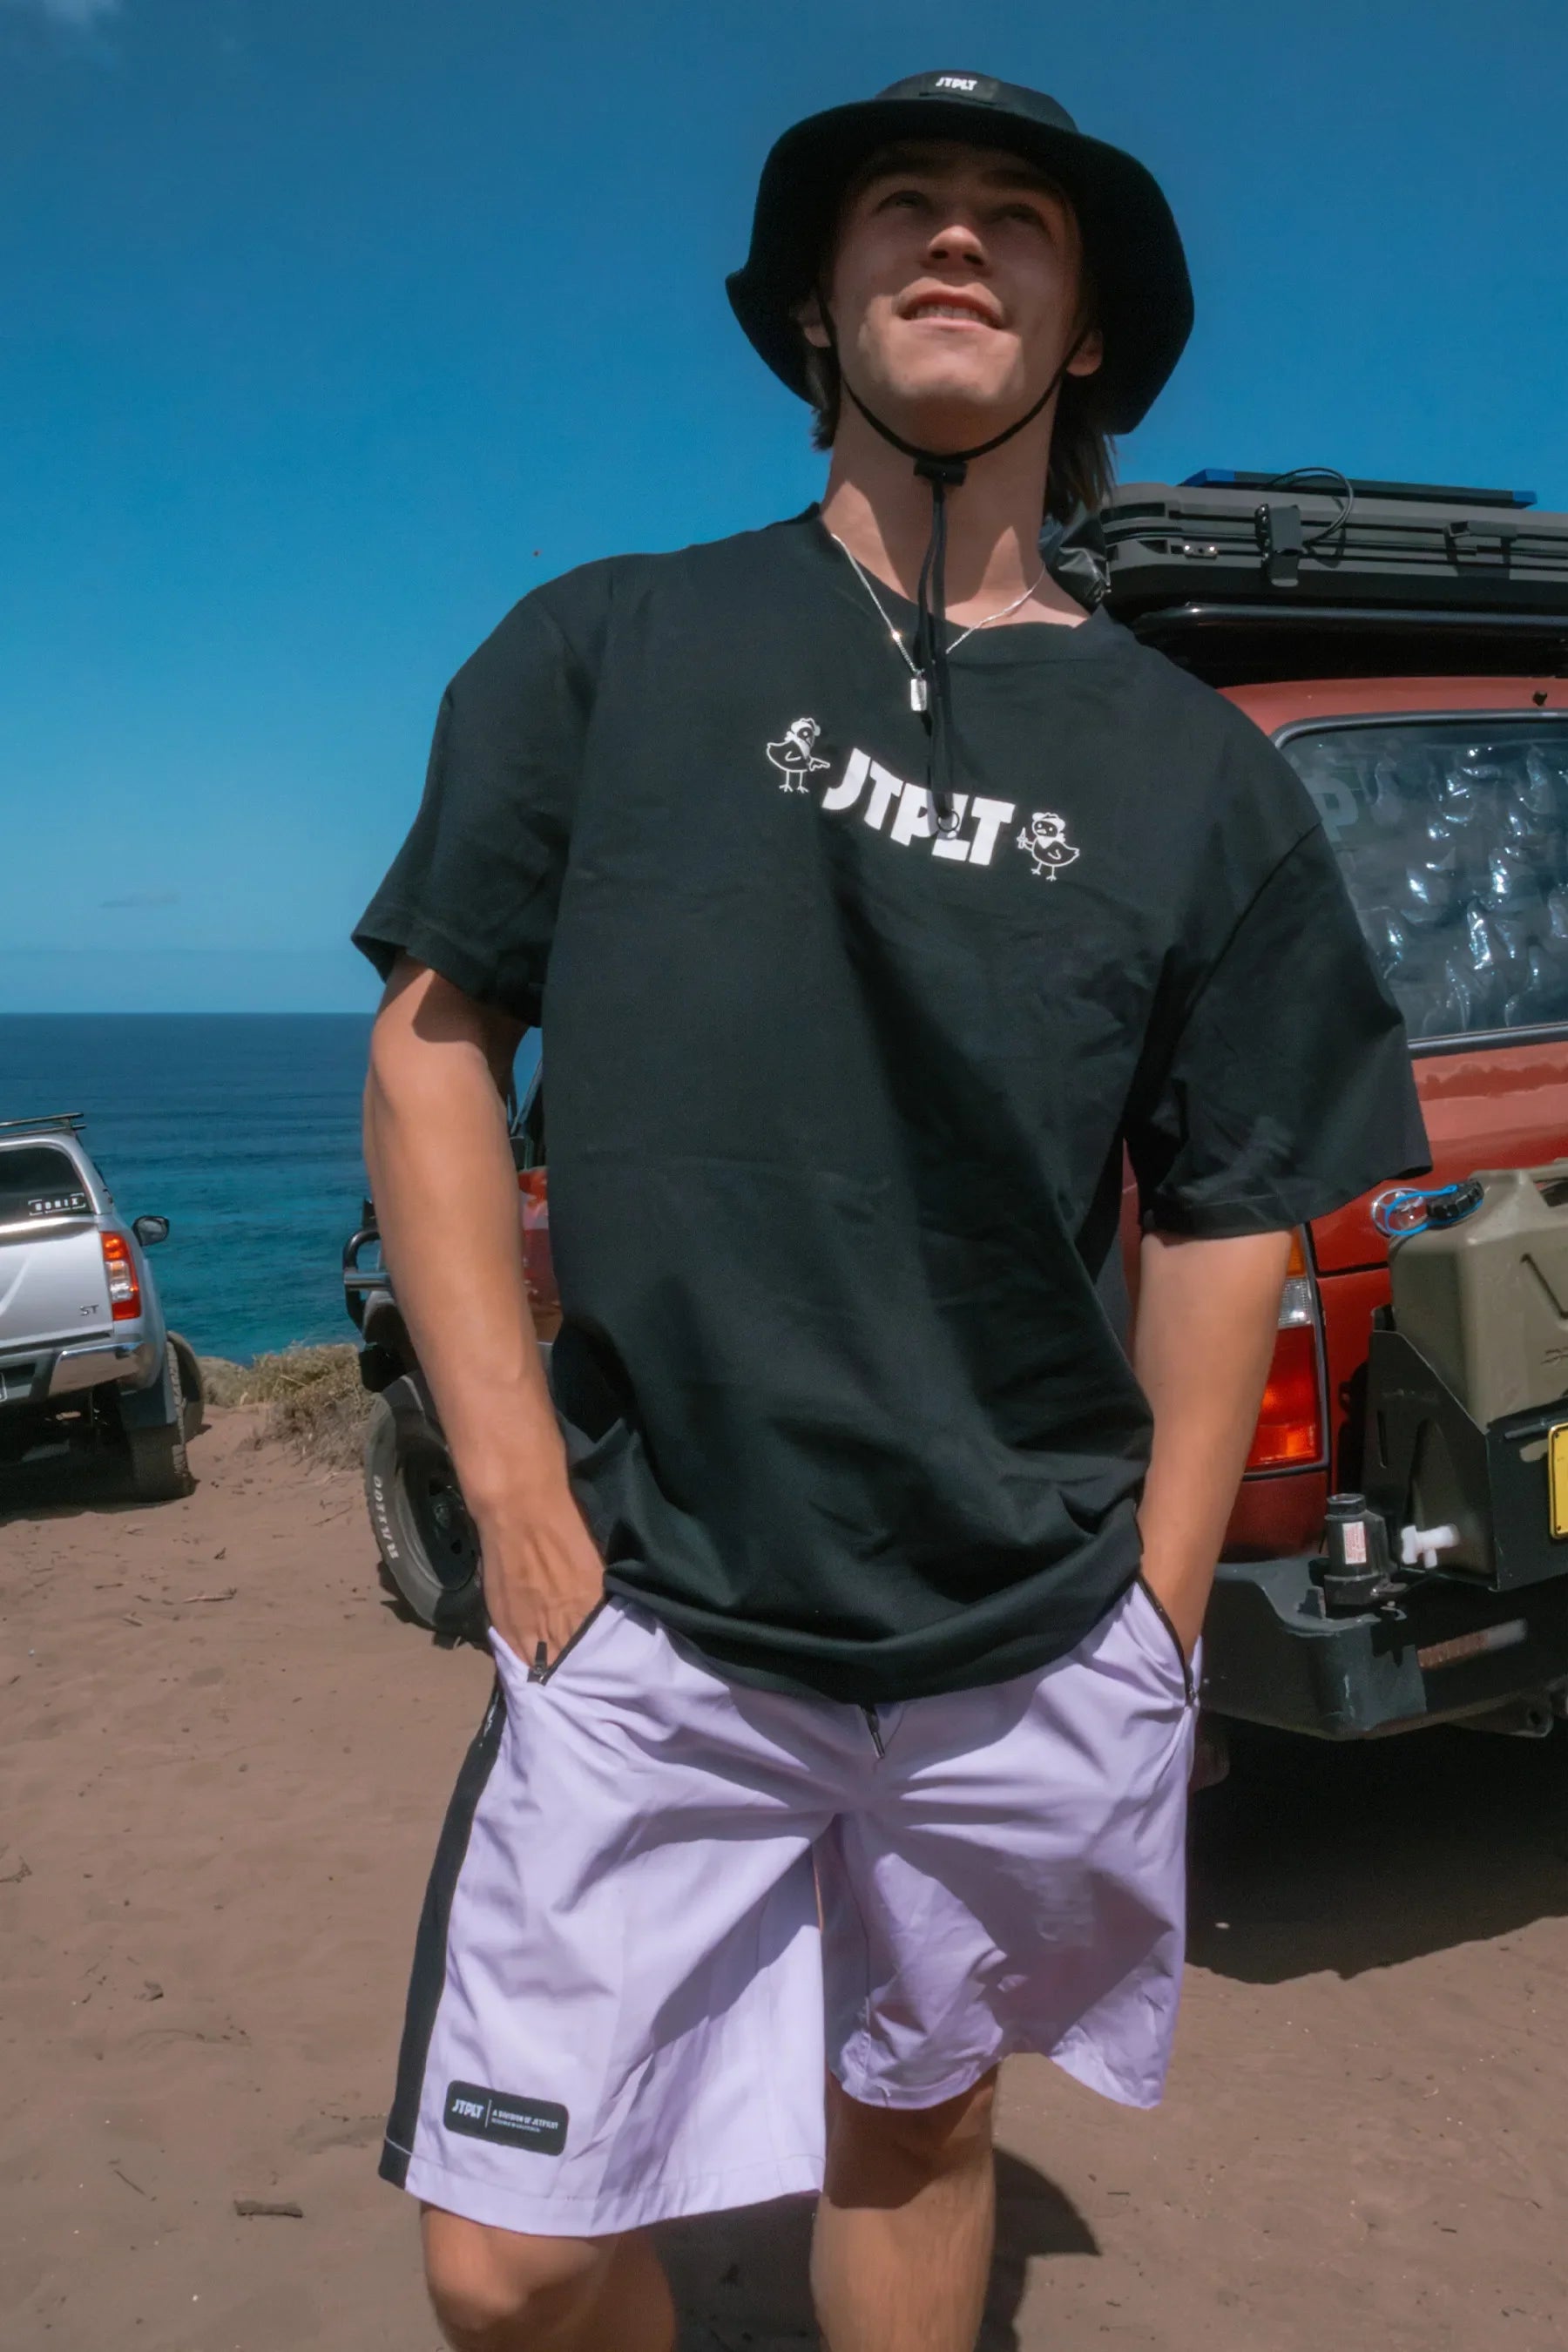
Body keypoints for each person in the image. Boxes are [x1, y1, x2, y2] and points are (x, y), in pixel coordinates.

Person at [353, 69, 1429, 2352]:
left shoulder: (1193, 773)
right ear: (813, 317)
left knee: (918, 2116)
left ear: (1092, 331)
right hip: (658, 1604)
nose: (957, 242)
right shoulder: (605, 649)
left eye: (1015, 217)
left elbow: (1238, 1190)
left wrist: (1154, 1594)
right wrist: (517, 1487)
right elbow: (436, 1043)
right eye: (904, 211)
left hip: (1024, 1621)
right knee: (513, 2263)